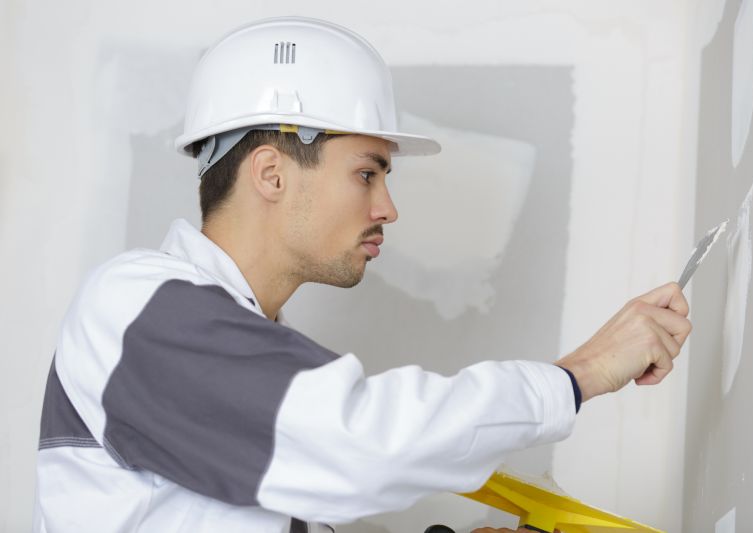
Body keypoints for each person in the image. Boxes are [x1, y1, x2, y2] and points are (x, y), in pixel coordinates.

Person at [33, 16, 692, 533]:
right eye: (367, 173)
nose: (387, 208)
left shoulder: (252, 363)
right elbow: (361, 443)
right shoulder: (136, 309)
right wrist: (576, 376)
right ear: (270, 173)